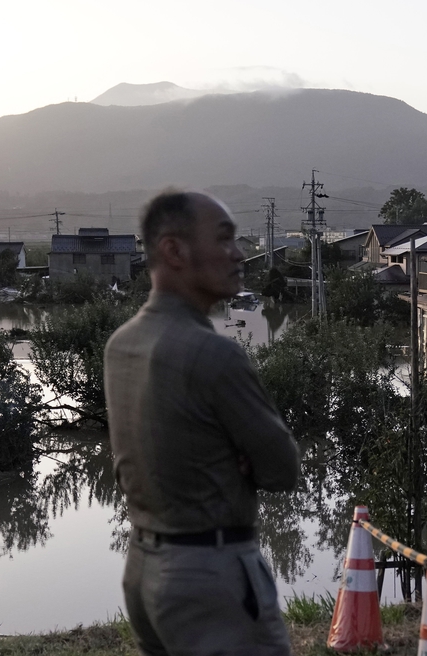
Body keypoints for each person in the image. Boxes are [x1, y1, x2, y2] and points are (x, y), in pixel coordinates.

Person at [104, 190, 301, 656]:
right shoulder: (215, 354)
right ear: (173, 250)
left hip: (145, 570)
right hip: (210, 578)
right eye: (224, 239)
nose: (238, 254)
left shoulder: (121, 343)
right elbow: (282, 469)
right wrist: (238, 461)